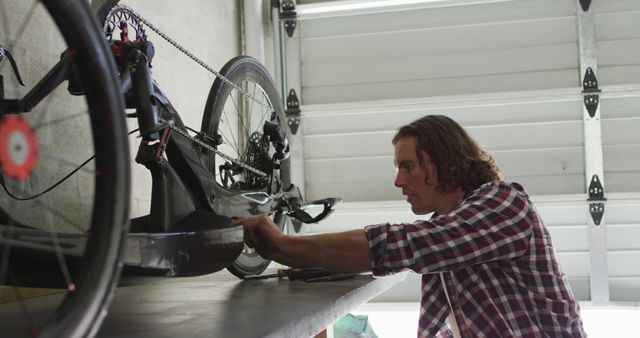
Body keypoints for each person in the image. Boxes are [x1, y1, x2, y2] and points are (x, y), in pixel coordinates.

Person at [238, 115, 586, 337]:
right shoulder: (449, 235)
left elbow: (405, 246)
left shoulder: (505, 204)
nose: (398, 181)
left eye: (407, 167)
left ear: (443, 161)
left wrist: (283, 245)